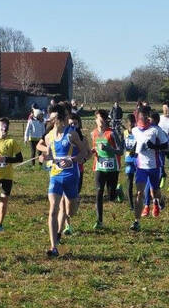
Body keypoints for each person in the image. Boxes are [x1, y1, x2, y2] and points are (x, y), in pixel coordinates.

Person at [40, 104, 87, 257]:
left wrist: (73, 160)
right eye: (52, 118)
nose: (52, 121)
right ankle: (54, 247)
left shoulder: (72, 134)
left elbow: (84, 153)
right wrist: (43, 157)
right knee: (53, 208)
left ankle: (75, 202)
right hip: (55, 175)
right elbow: (48, 155)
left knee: (70, 211)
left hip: (71, 176)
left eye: (54, 118)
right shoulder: (48, 137)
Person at [129, 106, 169, 231]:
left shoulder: (155, 130)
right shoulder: (135, 130)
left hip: (154, 166)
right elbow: (136, 143)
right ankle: (136, 222)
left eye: (145, 116)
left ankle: (160, 199)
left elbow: (167, 146)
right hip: (141, 167)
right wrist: (133, 151)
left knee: (155, 192)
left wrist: (155, 146)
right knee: (139, 193)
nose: (143, 118)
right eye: (140, 116)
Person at [90, 109, 124, 229]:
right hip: (99, 167)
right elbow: (95, 147)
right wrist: (93, 150)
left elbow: (121, 151)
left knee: (111, 197)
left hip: (112, 168)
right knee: (99, 191)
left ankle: (118, 191)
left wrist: (109, 149)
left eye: (104, 120)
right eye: (99, 119)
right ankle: (99, 221)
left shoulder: (112, 133)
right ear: (96, 120)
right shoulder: (93, 133)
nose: (102, 122)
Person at [123, 114, 137, 211]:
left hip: (138, 160)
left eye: (133, 124)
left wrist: (134, 149)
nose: (131, 126)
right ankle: (131, 205)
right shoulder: (124, 133)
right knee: (129, 182)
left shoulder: (138, 132)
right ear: (126, 124)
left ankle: (143, 201)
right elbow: (121, 145)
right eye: (129, 124)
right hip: (128, 160)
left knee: (140, 182)